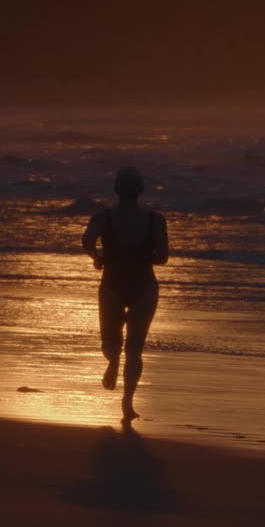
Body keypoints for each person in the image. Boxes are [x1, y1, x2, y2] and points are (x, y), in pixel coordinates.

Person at [82, 166, 168, 425]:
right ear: (140, 190)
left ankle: (112, 361)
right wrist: (141, 257)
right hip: (145, 286)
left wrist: (98, 257)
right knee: (135, 348)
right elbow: (162, 257)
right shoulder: (156, 219)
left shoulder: (102, 217)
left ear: (116, 190)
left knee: (110, 342)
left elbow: (86, 241)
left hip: (112, 285)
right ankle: (128, 401)